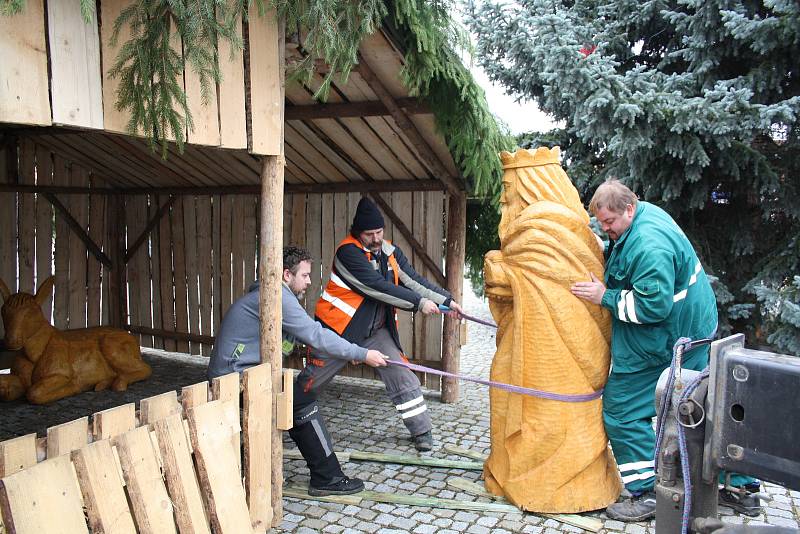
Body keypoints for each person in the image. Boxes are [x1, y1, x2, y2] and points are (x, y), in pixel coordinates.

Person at [571, 179, 761, 521]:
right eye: (601, 224)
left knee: (622, 410)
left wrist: (605, 297)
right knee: (701, 406)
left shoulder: (648, 245)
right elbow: (627, 257)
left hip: (664, 342)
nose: (607, 229)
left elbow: (652, 308)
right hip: (694, 330)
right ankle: (741, 487)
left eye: (610, 223)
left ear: (629, 208)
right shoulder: (645, 215)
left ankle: (646, 492)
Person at [208, 246, 389, 496]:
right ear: (286, 275)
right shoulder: (276, 297)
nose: (309, 281)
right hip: (233, 378)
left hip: (244, 374)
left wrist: (345, 351)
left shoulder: (274, 295)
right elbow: (315, 334)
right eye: (304, 275)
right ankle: (327, 478)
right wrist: (361, 353)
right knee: (299, 402)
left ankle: (325, 474)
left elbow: (297, 338)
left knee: (296, 399)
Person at [310, 196, 463, 451]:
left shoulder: (390, 251)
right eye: (370, 234)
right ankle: (287, 417)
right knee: (310, 383)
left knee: (402, 375)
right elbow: (376, 287)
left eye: (379, 231)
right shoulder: (347, 253)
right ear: (358, 233)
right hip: (338, 332)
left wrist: (447, 301)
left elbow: (413, 280)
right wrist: (419, 304)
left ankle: (422, 432)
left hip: (375, 332)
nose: (376, 238)